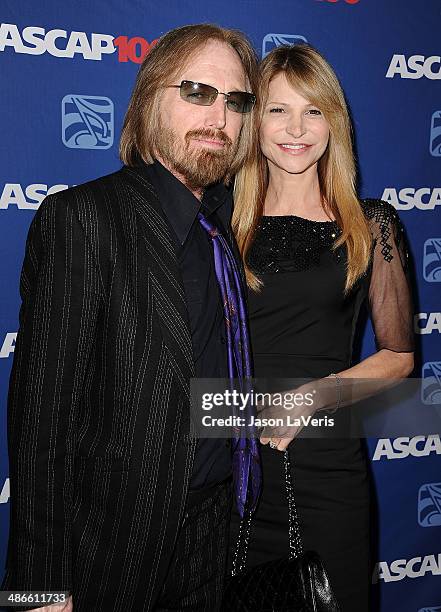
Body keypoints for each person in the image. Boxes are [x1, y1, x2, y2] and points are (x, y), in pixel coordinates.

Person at [2, 23, 260, 612]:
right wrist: (38, 590)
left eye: (235, 101)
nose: (218, 118)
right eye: (196, 92)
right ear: (149, 101)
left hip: (216, 537)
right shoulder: (84, 219)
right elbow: (42, 425)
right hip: (113, 553)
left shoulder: (226, 229)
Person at [229, 43, 415, 611]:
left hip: (328, 469)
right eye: (279, 109)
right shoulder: (219, 223)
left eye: (314, 111)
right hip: (232, 465)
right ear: (255, 120)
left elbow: (400, 356)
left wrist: (315, 395)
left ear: (334, 123)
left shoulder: (370, 224)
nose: (296, 128)